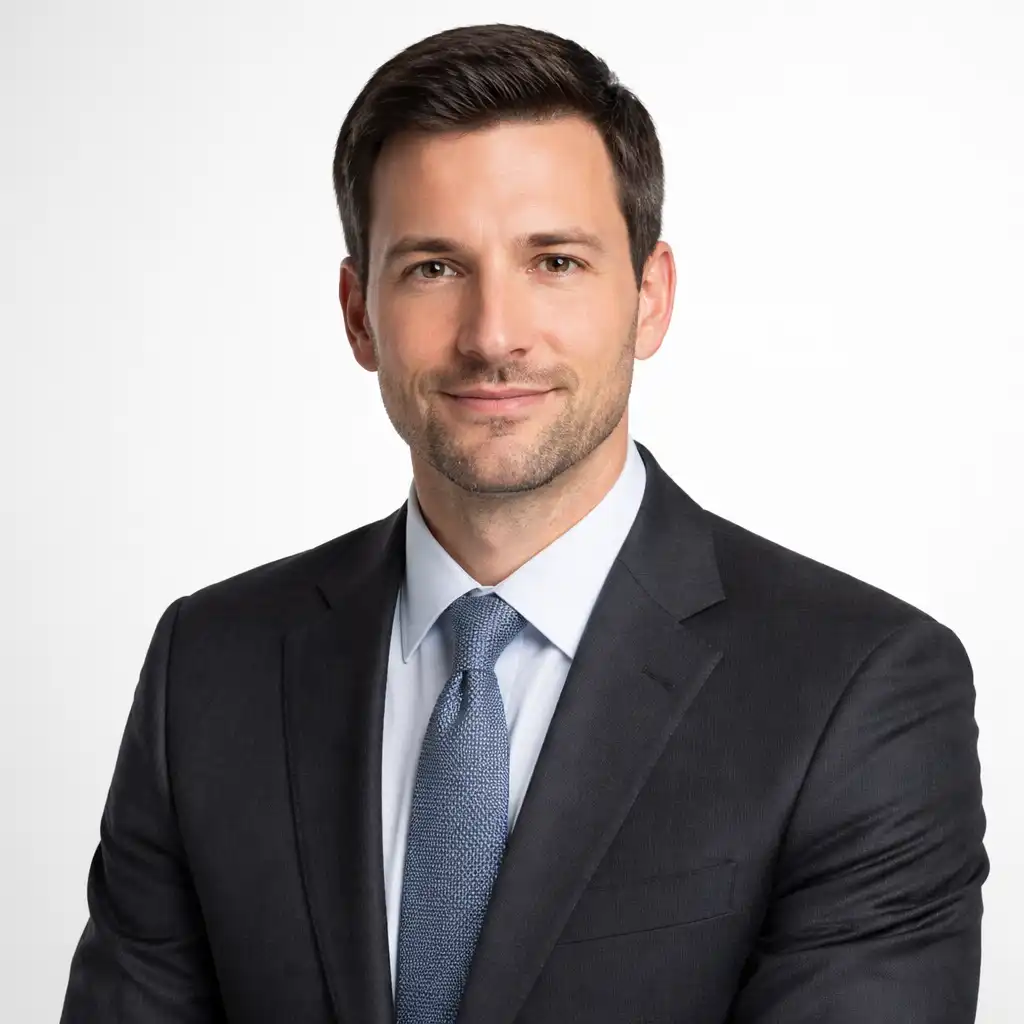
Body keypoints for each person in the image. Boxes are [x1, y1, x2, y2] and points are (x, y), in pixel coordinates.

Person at [60, 22, 988, 1024]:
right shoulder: (210, 667)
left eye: (554, 261)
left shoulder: (858, 689)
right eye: (432, 267)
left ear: (649, 297)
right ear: (357, 313)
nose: (493, 334)